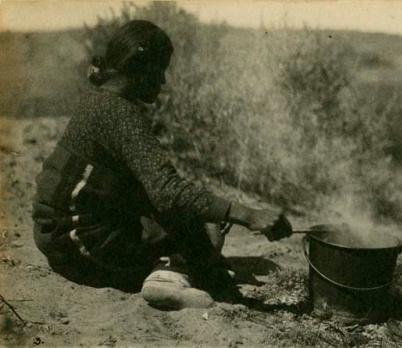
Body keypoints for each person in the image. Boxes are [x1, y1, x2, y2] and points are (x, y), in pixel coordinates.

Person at [32, 20, 292, 309]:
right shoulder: (121, 115)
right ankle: (167, 276)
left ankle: (188, 266)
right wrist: (247, 215)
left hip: (58, 237)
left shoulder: (100, 101)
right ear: (139, 68)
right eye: (160, 71)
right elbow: (167, 190)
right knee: (204, 232)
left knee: (192, 221)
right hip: (79, 244)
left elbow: (139, 187)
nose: (163, 81)